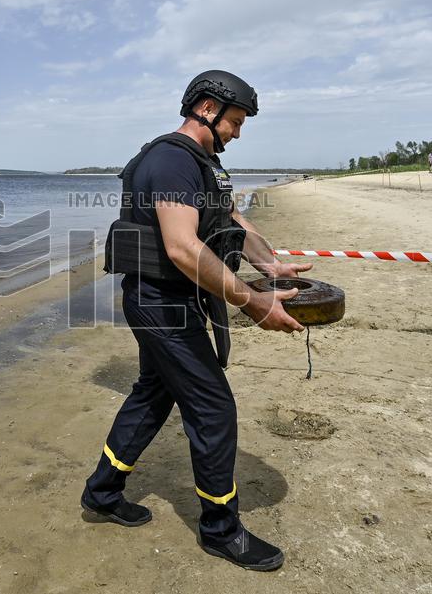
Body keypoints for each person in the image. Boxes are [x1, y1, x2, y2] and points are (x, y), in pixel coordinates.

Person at [83, 70, 310, 572]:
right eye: (235, 121)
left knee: (152, 393)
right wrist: (253, 302)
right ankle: (220, 531)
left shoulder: (201, 164)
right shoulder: (170, 161)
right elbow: (183, 247)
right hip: (159, 301)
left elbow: (231, 220)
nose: (237, 132)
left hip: (176, 298)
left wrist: (267, 265)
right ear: (207, 109)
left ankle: (102, 492)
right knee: (212, 408)